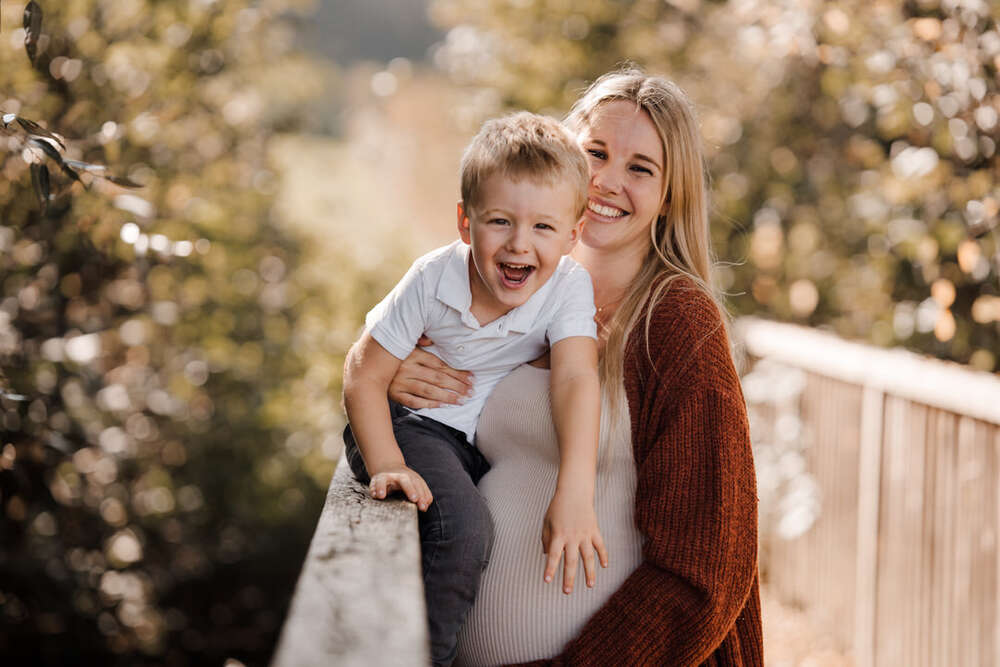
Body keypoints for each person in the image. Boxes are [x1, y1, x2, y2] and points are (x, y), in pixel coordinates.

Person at [387, 69, 763, 665]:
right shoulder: (515, 292)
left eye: (640, 168)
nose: (607, 181)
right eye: (595, 153)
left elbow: (705, 571)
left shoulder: (676, 323)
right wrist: (400, 381)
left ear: (671, 194)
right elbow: (437, 431)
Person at [341, 112, 609, 667]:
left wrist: (575, 488)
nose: (519, 244)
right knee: (462, 529)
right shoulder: (432, 279)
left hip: (470, 447)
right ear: (465, 223)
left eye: (542, 227)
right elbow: (363, 374)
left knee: (485, 528)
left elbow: (577, 378)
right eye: (499, 222)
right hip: (408, 428)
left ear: (572, 234)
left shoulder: (567, 287)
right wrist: (389, 463)